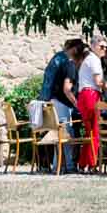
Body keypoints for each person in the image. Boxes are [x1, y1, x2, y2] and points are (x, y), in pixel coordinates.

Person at [38, 39, 82, 170]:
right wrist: (76, 103)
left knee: (60, 135)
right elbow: (66, 88)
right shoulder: (68, 62)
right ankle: (68, 165)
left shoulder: (58, 58)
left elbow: (48, 81)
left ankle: (57, 165)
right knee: (65, 135)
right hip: (61, 103)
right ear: (74, 49)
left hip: (53, 101)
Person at [75, 38, 107, 171]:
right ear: (93, 46)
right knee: (95, 131)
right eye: (101, 46)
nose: (104, 49)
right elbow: (98, 81)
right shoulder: (94, 59)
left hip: (84, 95)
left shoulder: (88, 59)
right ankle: (93, 164)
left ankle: (83, 163)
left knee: (90, 132)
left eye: (105, 47)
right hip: (91, 95)